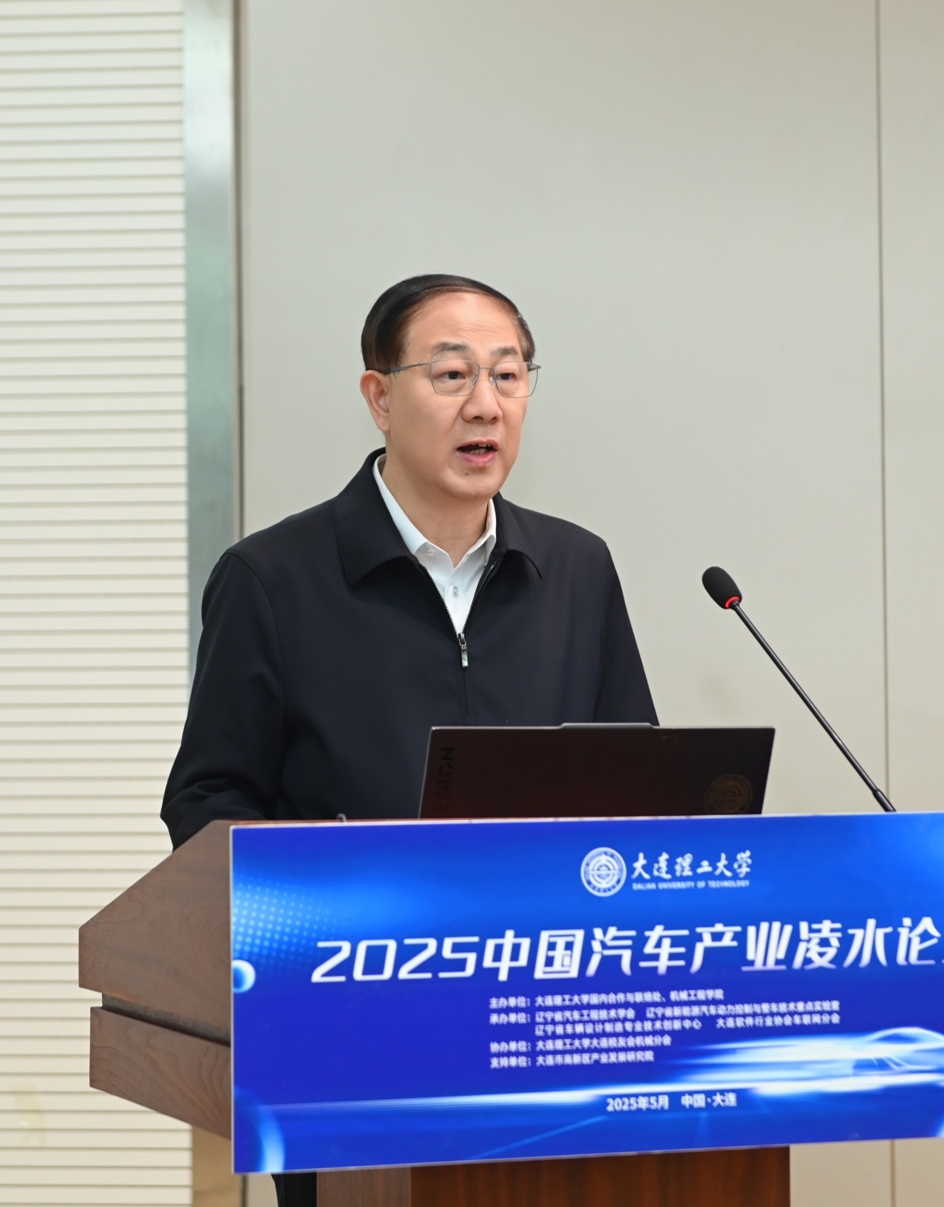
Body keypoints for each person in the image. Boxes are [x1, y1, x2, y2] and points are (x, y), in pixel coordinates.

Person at [159, 274, 657, 1205]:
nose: (485, 404)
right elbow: (207, 796)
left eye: (508, 375)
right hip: (349, 1031)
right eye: (451, 374)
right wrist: (323, 911)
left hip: (550, 1028)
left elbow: (640, 786)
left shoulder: (575, 567)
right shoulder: (273, 578)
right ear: (379, 397)